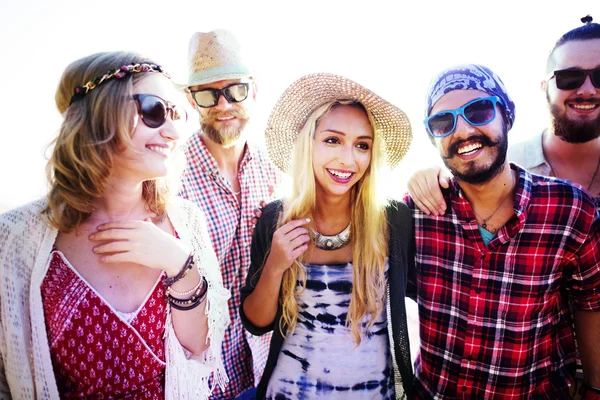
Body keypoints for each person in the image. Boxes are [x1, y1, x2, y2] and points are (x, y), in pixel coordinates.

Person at [0, 51, 230, 399]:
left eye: (176, 114)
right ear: (98, 113)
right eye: (154, 110)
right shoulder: (17, 236)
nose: (172, 132)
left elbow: (199, 349)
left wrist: (180, 265)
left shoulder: (186, 222)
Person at [404, 64, 600, 398]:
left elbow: (591, 303)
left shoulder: (570, 211)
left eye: (478, 110)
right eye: (443, 121)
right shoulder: (415, 214)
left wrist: (596, 386)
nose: (463, 130)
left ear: (506, 116)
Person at [240, 73, 415, 399]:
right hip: (290, 392)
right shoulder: (276, 218)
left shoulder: (394, 221)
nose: (348, 160)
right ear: (309, 143)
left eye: (362, 145)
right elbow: (257, 322)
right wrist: (275, 266)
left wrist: (431, 178)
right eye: (332, 140)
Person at [176, 29, 280, 400]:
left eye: (235, 90)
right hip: (201, 380)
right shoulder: (168, 180)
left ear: (254, 90)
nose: (223, 105)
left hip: (270, 370)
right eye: (207, 93)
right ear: (191, 100)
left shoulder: (278, 172)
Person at [408, 16, 600, 215]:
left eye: (599, 76)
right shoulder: (504, 162)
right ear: (544, 88)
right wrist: (428, 179)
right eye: (569, 78)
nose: (587, 90)